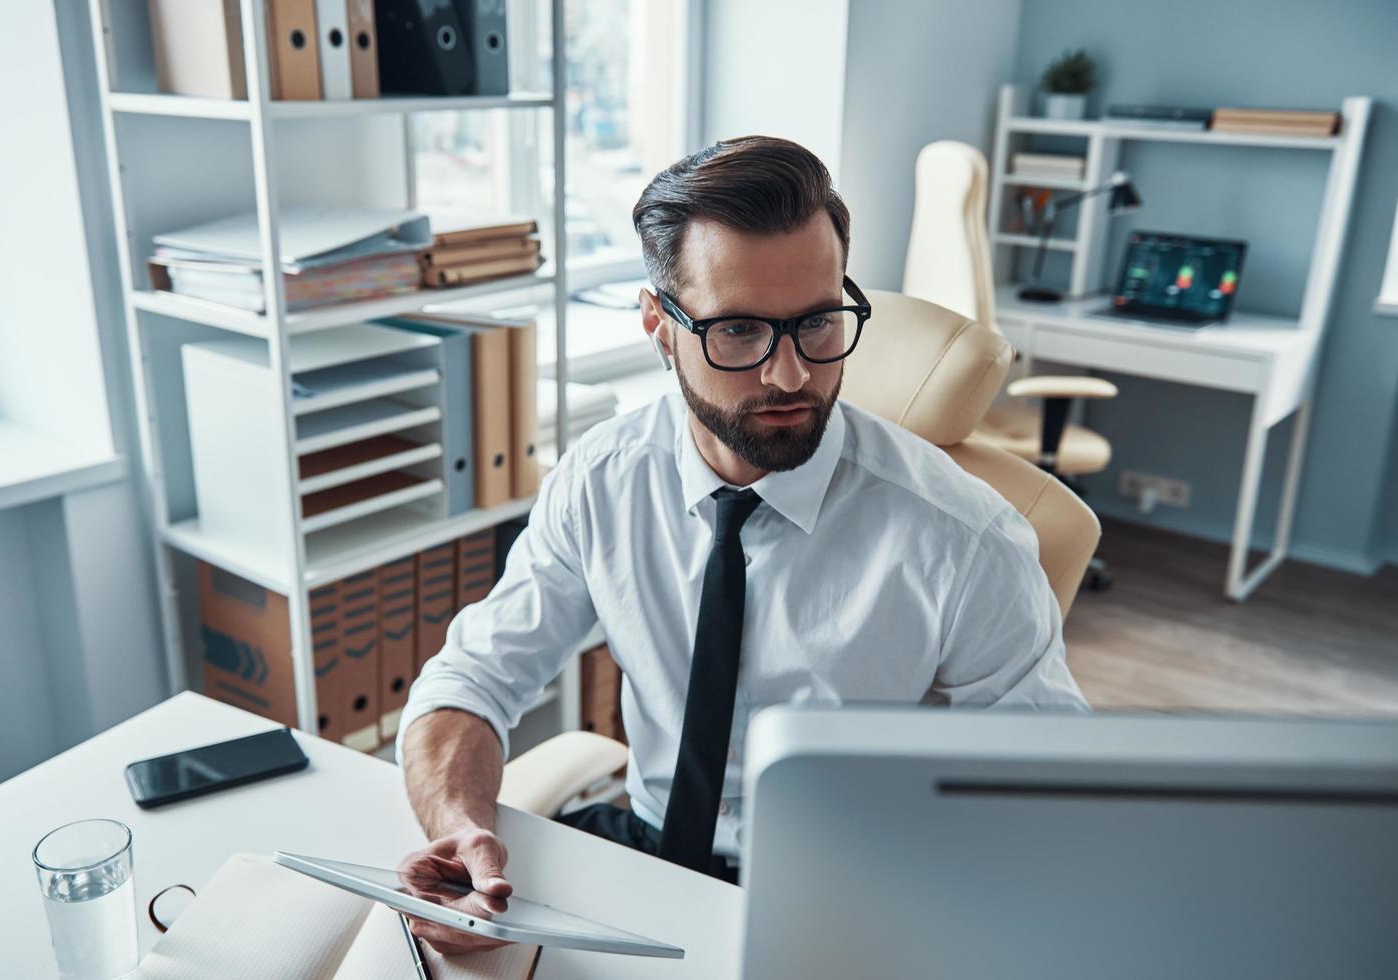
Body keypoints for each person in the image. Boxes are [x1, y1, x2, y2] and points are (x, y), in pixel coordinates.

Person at [393, 135, 1088, 954]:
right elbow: (471, 679)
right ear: (659, 326)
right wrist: (462, 830)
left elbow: (1051, 796)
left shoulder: (963, 539)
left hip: (848, 892)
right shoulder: (604, 478)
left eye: (818, 323)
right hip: (648, 851)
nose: (791, 375)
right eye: (739, 332)